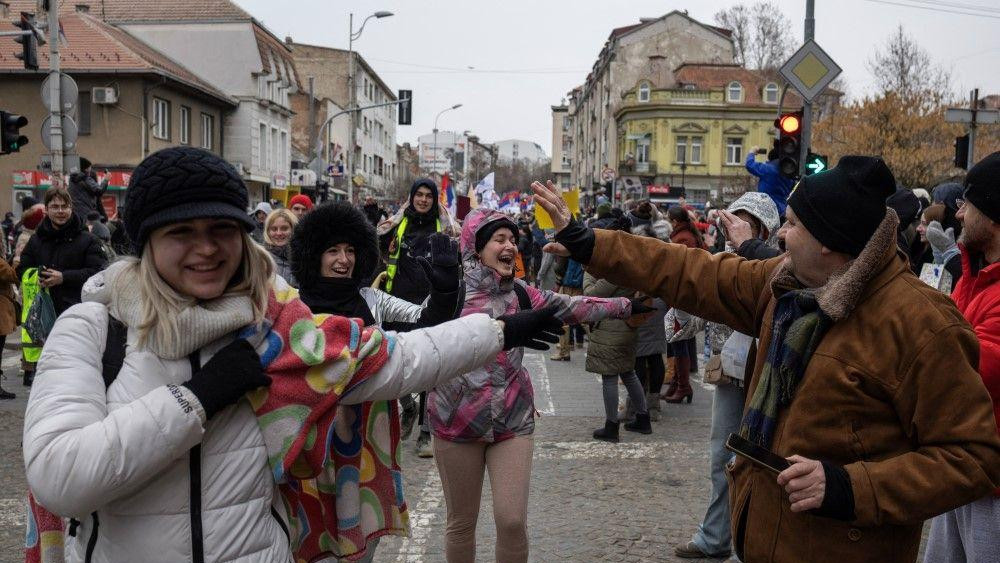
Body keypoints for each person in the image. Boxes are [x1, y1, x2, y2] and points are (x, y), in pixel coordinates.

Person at [22, 146, 562, 563]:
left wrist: (501, 330)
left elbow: (399, 357)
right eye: (181, 232)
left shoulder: (275, 324)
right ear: (145, 242)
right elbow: (61, 476)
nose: (206, 248)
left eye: (221, 229)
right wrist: (197, 398)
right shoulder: (94, 328)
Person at [532, 157, 1000, 563]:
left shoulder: (921, 322)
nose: (779, 235)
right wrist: (590, 243)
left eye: (792, 223)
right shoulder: (786, 283)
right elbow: (687, 270)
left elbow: (972, 458)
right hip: (763, 541)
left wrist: (851, 487)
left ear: (828, 242)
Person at [428, 207, 638, 563]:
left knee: (512, 522)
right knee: (461, 523)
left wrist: (627, 306)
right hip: (456, 423)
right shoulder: (452, 297)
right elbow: (414, 341)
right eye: (499, 239)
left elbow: (575, 306)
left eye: (513, 239)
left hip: (513, 421)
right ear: (477, 248)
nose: (510, 245)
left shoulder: (524, 295)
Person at [289, 201, 464, 562]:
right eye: (333, 250)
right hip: (310, 445)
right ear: (313, 255)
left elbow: (424, 319)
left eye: (350, 250)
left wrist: (445, 291)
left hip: (368, 445)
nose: (344, 259)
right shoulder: (294, 307)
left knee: (362, 543)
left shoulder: (371, 299)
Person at [675, 191, 780, 560]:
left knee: (758, 464)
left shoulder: (777, 268)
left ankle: (745, 546)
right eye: (732, 221)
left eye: (745, 223)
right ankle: (714, 535)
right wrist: (681, 302)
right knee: (721, 458)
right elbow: (688, 326)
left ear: (764, 231)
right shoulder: (721, 265)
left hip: (768, 381)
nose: (734, 229)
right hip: (729, 380)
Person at [925, 152, 1000, 563]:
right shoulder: (974, 274)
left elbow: (979, 366)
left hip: (993, 483)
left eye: (968, 203)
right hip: (961, 467)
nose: (960, 212)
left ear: (992, 215)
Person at [378, 178, 460, 457]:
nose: (423, 200)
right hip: (396, 304)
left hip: (430, 306)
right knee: (394, 362)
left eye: (428, 196)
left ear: (435, 200)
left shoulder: (446, 229)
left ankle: (426, 432)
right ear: (411, 197)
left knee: (428, 366)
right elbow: (376, 249)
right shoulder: (396, 225)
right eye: (419, 195)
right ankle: (408, 408)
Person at [17, 187, 107, 316]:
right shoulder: (36, 240)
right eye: (55, 206)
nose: (60, 211)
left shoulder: (89, 240)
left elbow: (100, 273)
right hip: (44, 315)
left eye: (64, 206)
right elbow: (22, 269)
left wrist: (64, 277)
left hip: (79, 314)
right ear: (46, 210)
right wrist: (38, 275)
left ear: (71, 208)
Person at [661, 206, 707, 404]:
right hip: (680, 293)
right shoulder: (684, 235)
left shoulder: (683, 238)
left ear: (674, 220)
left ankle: (683, 386)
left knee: (679, 339)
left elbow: (682, 267)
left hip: (683, 293)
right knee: (675, 337)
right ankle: (677, 382)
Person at [746, 146, 795, 217]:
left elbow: (749, 165)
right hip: (782, 210)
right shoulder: (790, 172)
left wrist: (752, 152)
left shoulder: (768, 169)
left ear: (770, 158)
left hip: (766, 208)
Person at [262, 208, 298, 287]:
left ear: (293, 229)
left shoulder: (303, 257)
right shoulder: (261, 258)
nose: (278, 233)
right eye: (274, 229)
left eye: (284, 228)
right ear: (268, 231)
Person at [67, 157, 108, 223]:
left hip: (75, 214)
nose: (90, 169)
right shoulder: (85, 178)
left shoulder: (72, 179)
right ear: (85, 168)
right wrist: (106, 179)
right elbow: (99, 191)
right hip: (86, 215)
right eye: (89, 167)